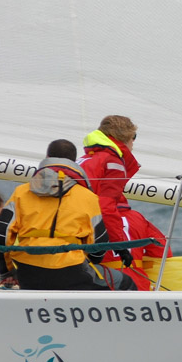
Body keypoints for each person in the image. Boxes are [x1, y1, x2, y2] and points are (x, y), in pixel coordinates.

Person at [0, 139, 137, 290]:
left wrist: (7, 272)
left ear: (47, 157)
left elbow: (0, 235)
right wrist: (88, 260)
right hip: (72, 270)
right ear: (74, 161)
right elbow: (99, 245)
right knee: (125, 284)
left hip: (28, 272)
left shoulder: (21, 192)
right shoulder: (87, 197)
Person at [77, 115, 140, 269]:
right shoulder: (112, 162)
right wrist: (120, 246)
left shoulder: (85, 159)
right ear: (125, 137)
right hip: (82, 231)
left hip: (69, 228)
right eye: (134, 137)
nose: (133, 143)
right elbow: (105, 207)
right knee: (126, 284)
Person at [100, 201, 172, 290]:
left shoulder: (92, 219)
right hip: (139, 284)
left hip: (105, 284)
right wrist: (137, 258)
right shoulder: (137, 217)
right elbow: (163, 251)